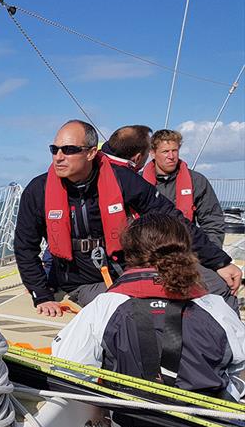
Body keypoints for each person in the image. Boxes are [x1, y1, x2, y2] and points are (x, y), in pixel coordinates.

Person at [52, 213, 245, 427]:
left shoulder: (105, 306)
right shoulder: (214, 306)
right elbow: (239, 366)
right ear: (186, 251)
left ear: (128, 255)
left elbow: (66, 369)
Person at [13, 120, 241, 316]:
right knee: (138, 310)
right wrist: (41, 295)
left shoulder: (123, 180)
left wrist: (219, 261)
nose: (59, 157)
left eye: (69, 150)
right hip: (83, 282)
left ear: (92, 152)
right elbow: (25, 247)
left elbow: (173, 220)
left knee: (218, 286)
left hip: (130, 269)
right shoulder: (38, 191)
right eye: (55, 149)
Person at [141, 129, 226, 247]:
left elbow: (212, 220)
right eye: (165, 151)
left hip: (186, 251)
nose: (171, 156)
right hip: (148, 251)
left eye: (174, 151)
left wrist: (211, 252)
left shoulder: (196, 181)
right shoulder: (138, 182)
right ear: (153, 153)